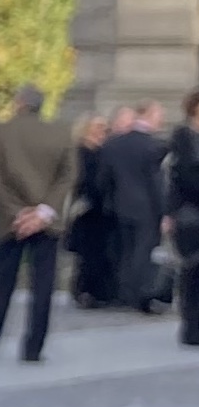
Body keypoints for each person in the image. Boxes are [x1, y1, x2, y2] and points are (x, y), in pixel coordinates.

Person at [0, 84, 73, 363]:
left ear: (19, 103)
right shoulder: (61, 133)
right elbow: (68, 175)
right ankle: (33, 349)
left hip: (8, 220)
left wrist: (18, 212)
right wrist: (43, 211)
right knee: (43, 287)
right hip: (46, 222)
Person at [104, 105, 168, 314]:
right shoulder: (153, 146)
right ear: (147, 116)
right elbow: (156, 182)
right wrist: (164, 211)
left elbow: (105, 178)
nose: (161, 122)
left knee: (125, 251)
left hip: (119, 205)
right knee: (142, 252)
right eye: (159, 117)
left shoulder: (114, 144)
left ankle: (124, 294)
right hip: (146, 207)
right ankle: (140, 296)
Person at [68, 113, 117, 305]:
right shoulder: (81, 152)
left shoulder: (104, 152)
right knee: (88, 253)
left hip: (103, 209)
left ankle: (98, 291)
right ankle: (84, 290)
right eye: (97, 127)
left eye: (104, 128)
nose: (101, 132)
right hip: (87, 209)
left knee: (101, 252)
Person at [167, 91, 199, 350]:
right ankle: (191, 327)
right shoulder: (183, 138)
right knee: (192, 271)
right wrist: (169, 214)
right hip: (190, 214)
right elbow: (181, 179)